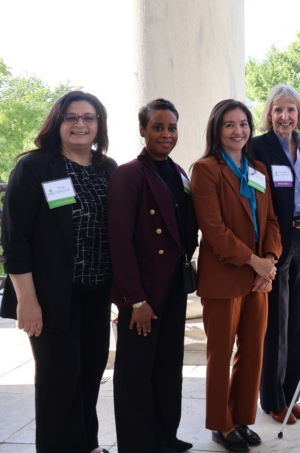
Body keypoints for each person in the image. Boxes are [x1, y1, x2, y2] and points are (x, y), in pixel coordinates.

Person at [0, 90, 116, 453]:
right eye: (72, 117)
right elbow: (15, 240)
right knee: (58, 382)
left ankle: (88, 444)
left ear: (99, 125)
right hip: (50, 296)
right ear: (58, 122)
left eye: (89, 117)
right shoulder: (35, 167)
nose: (80, 124)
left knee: (89, 374)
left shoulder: (107, 168)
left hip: (96, 293)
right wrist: (27, 301)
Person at [192, 99, 282, 452]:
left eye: (243, 123)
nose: (238, 131)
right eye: (230, 124)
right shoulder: (205, 169)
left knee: (253, 351)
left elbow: (272, 221)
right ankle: (221, 424)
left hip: (259, 278)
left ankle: (242, 418)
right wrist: (254, 261)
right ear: (217, 129)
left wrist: (270, 260)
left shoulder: (258, 168)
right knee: (220, 354)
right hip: (224, 276)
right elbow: (213, 230)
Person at [108, 99, 198, 453]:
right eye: (158, 127)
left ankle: (165, 436)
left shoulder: (178, 173)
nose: (166, 134)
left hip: (174, 284)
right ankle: (137, 444)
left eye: (171, 127)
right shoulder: (129, 174)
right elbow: (120, 242)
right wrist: (135, 299)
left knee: (167, 365)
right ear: (142, 130)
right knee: (134, 373)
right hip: (143, 291)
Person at [250, 85, 300, 424]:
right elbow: (254, 200)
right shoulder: (257, 148)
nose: (284, 116)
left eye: (291, 110)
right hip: (275, 239)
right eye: (278, 110)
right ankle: (273, 399)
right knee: (275, 324)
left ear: (299, 115)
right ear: (269, 114)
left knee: (299, 323)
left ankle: (292, 393)